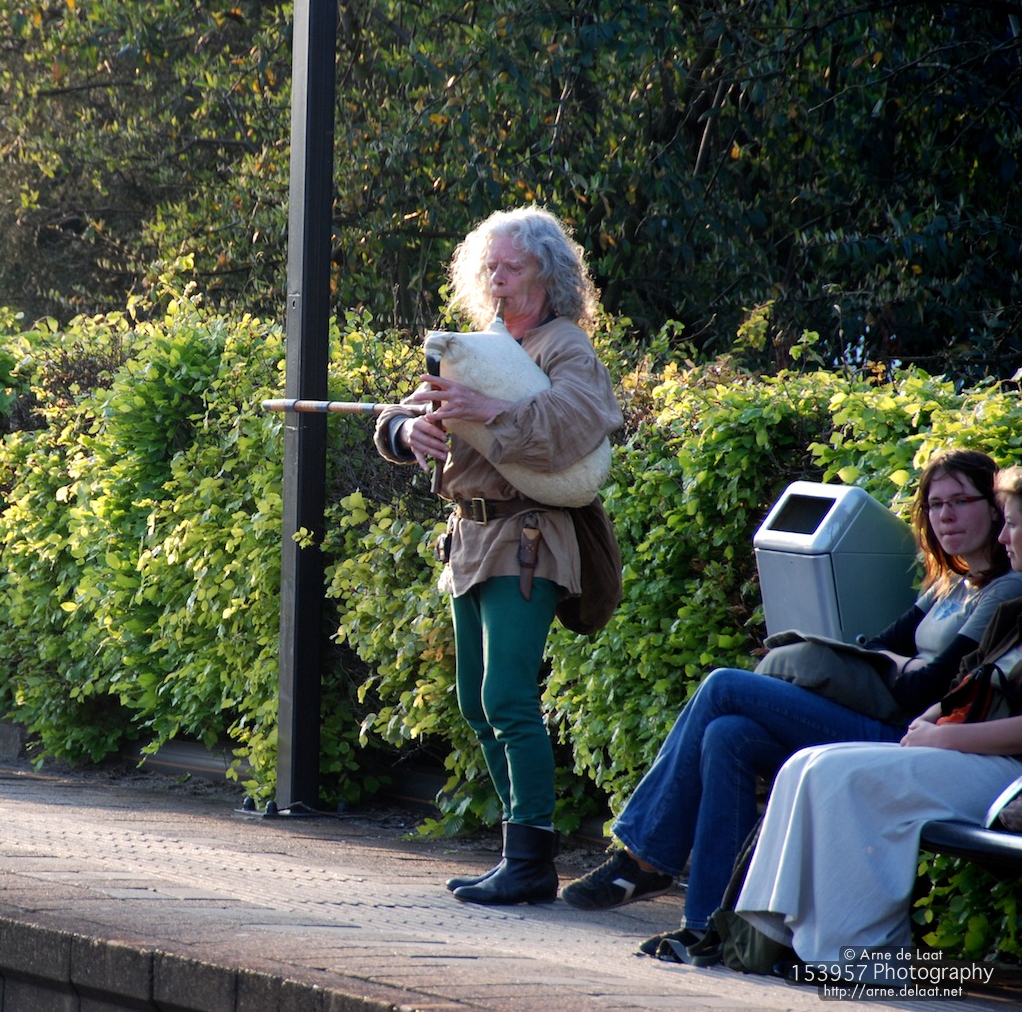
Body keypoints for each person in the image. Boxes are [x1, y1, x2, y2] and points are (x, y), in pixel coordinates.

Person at [561, 449, 1022, 952]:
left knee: (723, 686)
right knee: (728, 734)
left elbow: (927, 690)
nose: (945, 516)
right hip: (879, 718)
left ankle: (645, 858)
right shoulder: (950, 585)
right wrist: (904, 665)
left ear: (994, 508)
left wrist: (902, 667)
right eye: (935, 505)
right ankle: (706, 926)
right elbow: (876, 649)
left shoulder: (1004, 589)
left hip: (907, 737)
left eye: (960, 501)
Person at [374, 206, 623, 904]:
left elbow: (577, 423)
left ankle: (531, 861)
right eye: (490, 266)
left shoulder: (564, 346)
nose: (498, 277)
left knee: (507, 697)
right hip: (470, 536)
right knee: (475, 704)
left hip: (528, 537)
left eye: (511, 266)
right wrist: (407, 433)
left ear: (547, 271)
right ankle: (518, 854)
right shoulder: (478, 346)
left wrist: (488, 411)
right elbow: (400, 413)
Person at [734, 464, 1022, 963]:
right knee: (805, 764)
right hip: (960, 746)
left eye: (1012, 523)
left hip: (1002, 772)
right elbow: (971, 680)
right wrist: (934, 717)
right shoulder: (1003, 601)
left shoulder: (1007, 591)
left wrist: (943, 736)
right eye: (936, 505)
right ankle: (776, 940)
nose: (1002, 536)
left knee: (833, 774)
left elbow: (940, 682)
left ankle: (864, 956)